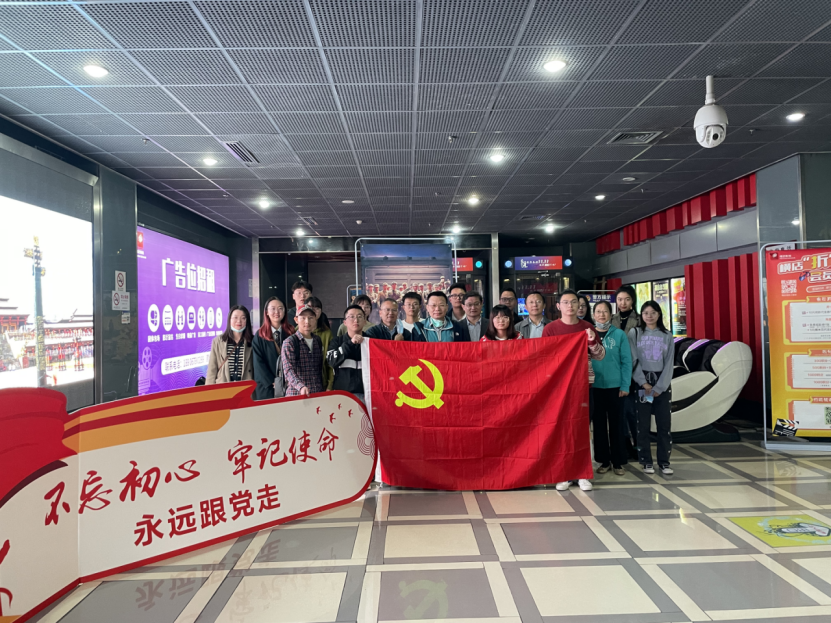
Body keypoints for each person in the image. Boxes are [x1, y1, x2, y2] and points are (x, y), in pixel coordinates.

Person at [542, 289, 605, 492]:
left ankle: (583, 473)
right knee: (561, 430)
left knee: (583, 429)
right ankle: (564, 473)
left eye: (574, 302)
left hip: (584, 386)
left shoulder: (587, 327)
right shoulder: (551, 329)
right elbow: (544, 358)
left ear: (579, 305)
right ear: (558, 306)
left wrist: (591, 341)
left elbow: (600, 356)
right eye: (566, 302)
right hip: (559, 389)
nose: (570, 306)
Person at [629, 301, 675, 476]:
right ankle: (646, 461)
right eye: (645, 313)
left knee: (664, 425)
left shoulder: (667, 335)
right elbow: (633, 359)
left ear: (659, 314)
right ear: (641, 315)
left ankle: (664, 462)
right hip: (643, 384)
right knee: (643, 424)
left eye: (653, 313)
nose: (649, 316)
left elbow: (669, 362)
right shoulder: (635, 333)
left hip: (661, 383)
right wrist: (643, 383)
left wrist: (660, 387)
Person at [590, 301, 632, 476]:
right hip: (594, 387)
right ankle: (604, 461)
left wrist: (625, 385)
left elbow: (627, 361)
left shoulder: (619, 334)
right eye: (598, 312)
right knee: (599, 426)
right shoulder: (588, 335)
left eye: (605, 311)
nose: (602, 315)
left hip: (616, 387)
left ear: (611, 314)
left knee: (617, 425)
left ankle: (618, 462)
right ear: (593, 315)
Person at [611, 285, 640, 460]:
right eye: (620, 299)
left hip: (635, 371)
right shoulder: (611, 319)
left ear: (633, 300)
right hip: (615, 371)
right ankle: (624, 446)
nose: (623, 303)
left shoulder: (639, 320)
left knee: (632, 412)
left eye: (627, 299)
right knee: (619, 413)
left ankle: (638, 446)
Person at [252, 297, 294, 400]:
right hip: (267, 386)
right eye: (273, 308)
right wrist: (272, 381)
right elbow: (258, 362)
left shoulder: (291, 332)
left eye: (280, 308)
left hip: (289, 384)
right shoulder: (260, 335)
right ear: (266, 312)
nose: (277, 312)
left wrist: (290, 379)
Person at [282, 304, 324, 396]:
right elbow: (288, 370)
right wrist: (300, 386)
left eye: (310, 318)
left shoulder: (317, 340)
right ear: (296, 320)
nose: (307, 321)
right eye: (303, 318)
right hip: (296, 394)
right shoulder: (289, 342)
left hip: (317, 394)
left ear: (315, 319)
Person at [327, 305, 366, 401]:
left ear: (365, 321)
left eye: (359, 316)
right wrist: (350, 343)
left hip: (366, 395)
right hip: (343, 395)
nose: (356, 320)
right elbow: (332, 361)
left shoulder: (370, 341)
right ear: (344, 322)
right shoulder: (336, 342)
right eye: (351, 317)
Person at [207, 305, 254, 384]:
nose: (239, 321)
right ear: (229, 320)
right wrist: (209, 389)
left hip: (246, 388)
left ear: (247, 321)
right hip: (223, 388)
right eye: (235, 317)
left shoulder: (253, 341)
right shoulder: (218, 342)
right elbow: (212, 371)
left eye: (243, 318)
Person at [305, 296, 334, 390]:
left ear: (321, 312)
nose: (313, 310)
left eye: (317, 308)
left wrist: (330, 385)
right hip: (302, 384)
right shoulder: (297, 332)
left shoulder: (327, 333)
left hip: (321, 382)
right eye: (310, 307)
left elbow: (330, 362)